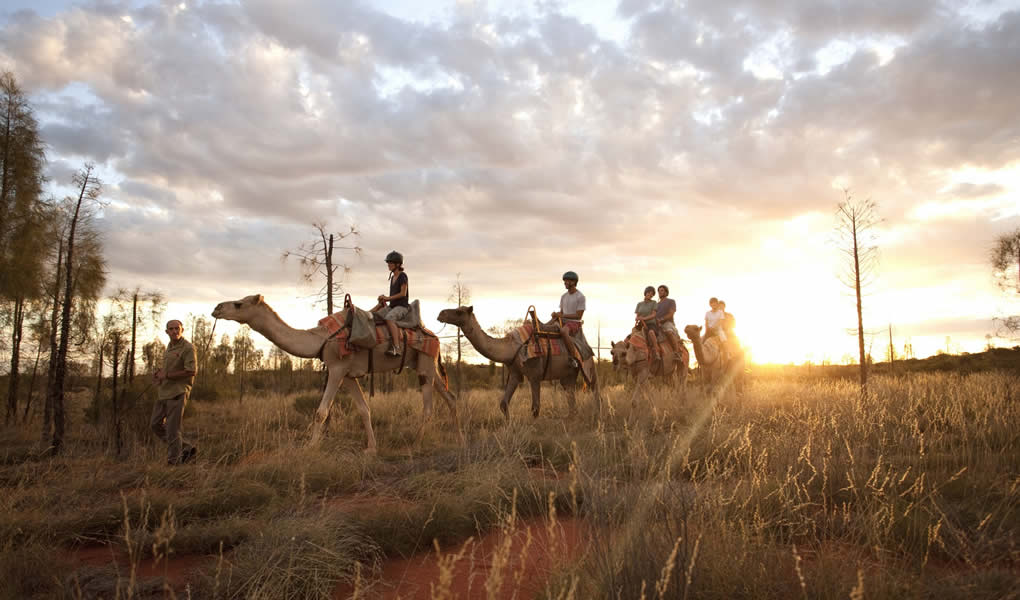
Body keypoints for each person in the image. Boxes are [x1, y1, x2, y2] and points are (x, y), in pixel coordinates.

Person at [151, 319, 197, 465]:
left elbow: (191, 371)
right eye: (171, 329)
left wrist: (167, 375)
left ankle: (174, 463)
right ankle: (186, 448)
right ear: (167, 332)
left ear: (182, 329)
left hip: (178, 393)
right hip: (163, 392)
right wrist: (160, 376)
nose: (174, 331)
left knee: (172, 430)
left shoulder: (188, 348)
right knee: (155, 424)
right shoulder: (169, 348)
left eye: (177, 328)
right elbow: (167, 371)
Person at [371, 250, 409, 356]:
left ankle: (397, 347)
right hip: (392, 306)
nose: (388, 265)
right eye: (388, 263)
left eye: (390, 263)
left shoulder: (402, 276)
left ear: (397, 264)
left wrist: (387, 298)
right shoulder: (392, 278)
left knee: (389, 318)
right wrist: (383, 299)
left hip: (402, 306)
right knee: (373, 316)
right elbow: (392, 297)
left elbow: (403, 294)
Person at [550, 271, 585, 369]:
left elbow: (579, 316)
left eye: (567, 281)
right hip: (563, 320)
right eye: (564, 281)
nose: (565, 282)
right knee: (547, 327)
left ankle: (573, 358)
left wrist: (562, 316)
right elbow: (561, 313)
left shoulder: (580, 297)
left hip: (574, 323)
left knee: (564, 331)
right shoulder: (563, 296)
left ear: (574, 282)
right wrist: (556, 314)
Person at [655, 285, 683, 356]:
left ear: (666, 292)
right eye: (659, 291)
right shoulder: (656, 304)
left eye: (662, 290)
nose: (660, 292)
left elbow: (671, 314)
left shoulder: (671, 301)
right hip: (656, 324)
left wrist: (661, 319)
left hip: (668, 323)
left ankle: (677, 353)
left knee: (668, 331)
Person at [635, 286, 662, 357]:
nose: (650, 294)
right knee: (631, 336)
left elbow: (653, 315)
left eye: (652, 294)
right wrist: (638, 318)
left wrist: (643, 318)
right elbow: (637, 316)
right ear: (645, 292)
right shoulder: (639, 304)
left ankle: (657, 350)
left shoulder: (654, 303)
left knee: (651, 332)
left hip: (650, 324)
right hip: (640, 324)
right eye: (649, 292)